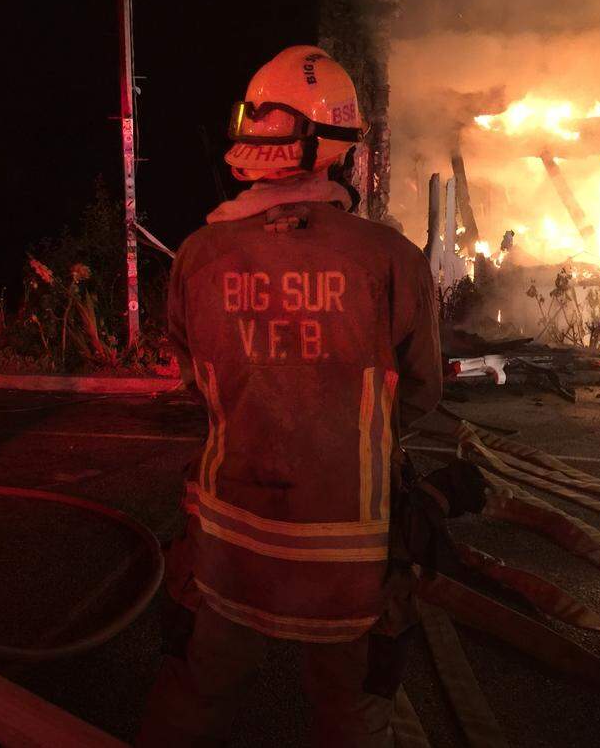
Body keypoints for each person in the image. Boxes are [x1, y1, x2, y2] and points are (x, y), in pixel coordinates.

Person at [138, 46, 484, 747]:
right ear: (338, 148)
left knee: (193, 703)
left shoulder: (199, 255)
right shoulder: (390, 259)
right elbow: (421, 389)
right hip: (351, 557)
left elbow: (198, 379)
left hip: (227, 544)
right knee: (354, 717)